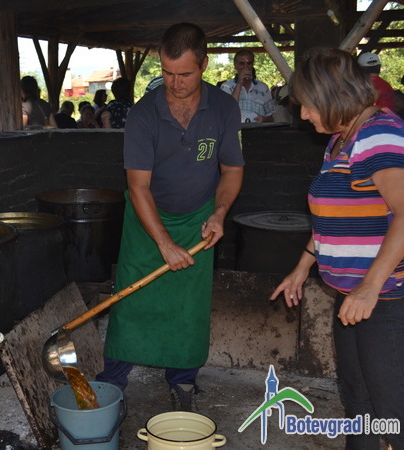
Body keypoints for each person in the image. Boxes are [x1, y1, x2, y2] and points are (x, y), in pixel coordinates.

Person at [96, 23, 244, 412]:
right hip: (146, 218)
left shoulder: (224, 108)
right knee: (131, 298)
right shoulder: (144, 114)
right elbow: (138, 187)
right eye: (167, 73)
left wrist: (219, 214)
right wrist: (163, 242)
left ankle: (182, 381)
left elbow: (231, 169)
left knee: (188, 306)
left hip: (199, 219)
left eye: (185, 74)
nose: (175, 83)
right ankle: (113, 383)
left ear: (204, 65)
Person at [270, 48, 404, 449]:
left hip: (387, 299)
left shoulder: (379, 134)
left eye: (308, 105)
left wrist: (369, 287)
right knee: (359, 402)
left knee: (393, 412)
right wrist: (303, 265)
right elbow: (336, 215)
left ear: (331, 96)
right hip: (354, 296)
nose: (303, 115)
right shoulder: (340, 140)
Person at [219, 50, 275, 123]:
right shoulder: (227, 87)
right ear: (235, 66)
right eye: (242, 64)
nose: (246, 67)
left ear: (252, 65)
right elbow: (226, 111)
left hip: (257, 129)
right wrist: (239, 84)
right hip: (235, 129)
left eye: (249, 63)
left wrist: (264, 119)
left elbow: (272, 117)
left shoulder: (263, 88)